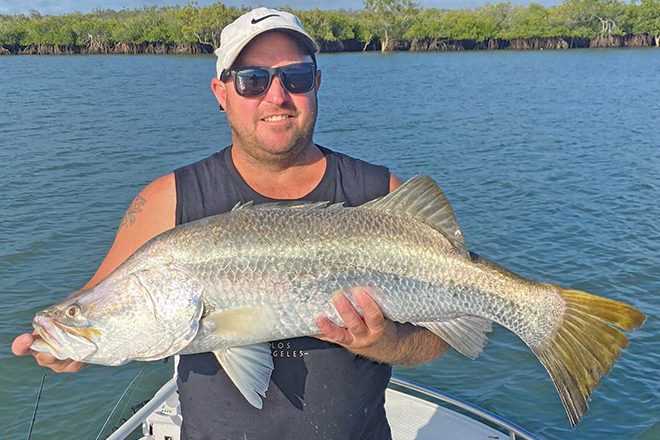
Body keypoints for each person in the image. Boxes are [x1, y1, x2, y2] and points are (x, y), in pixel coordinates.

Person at [12, 8, 448, 439]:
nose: (276, 97)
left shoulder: (381, 192)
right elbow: (98, 296)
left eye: (294, 77)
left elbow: (443, 333)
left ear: (316, 83)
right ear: (221, 92)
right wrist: (68, 341)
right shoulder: (167, 200)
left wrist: (387, 343)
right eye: (252, 80)